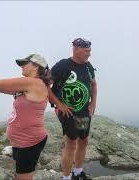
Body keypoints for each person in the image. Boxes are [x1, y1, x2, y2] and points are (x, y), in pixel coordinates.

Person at [0, 54, 51, 180]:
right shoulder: (29, 85)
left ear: (36, 66)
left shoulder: (33, 83)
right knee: (20, 174)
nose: (22, 66)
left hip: (29, 142)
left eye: (25, 63)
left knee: (23, 177)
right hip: (21, 142)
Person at [48, 38, 97, 180]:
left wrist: (93, 103)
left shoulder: (88, 66)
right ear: (75, 49)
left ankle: (77, 172)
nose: (89, 54)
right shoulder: (63, 66)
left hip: (83, 111)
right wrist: (59, 104)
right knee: (71, 143)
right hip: (67, 112)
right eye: (86, 51)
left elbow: (93, 85)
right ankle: (66, 178)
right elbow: (45, 86)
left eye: (90, 51)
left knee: (83, 140)